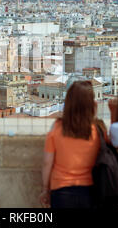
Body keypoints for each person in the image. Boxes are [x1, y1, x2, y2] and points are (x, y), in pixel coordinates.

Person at [40, 80, 107, 208]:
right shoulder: (98, 130)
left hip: (61, 190)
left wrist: (45, 189)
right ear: (92, 104)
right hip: (89, 190)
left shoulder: (57, 128)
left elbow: (47, 162)